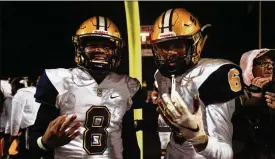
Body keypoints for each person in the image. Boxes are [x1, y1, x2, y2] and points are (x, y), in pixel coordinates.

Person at [30, 16, 142, 159]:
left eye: (107, 46)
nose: (100, 50)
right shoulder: (61, 81)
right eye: (92, 44)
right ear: (80, 47)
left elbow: (129, 139)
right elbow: (34, 142)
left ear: (116, 50)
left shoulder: (126, 86)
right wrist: (45, 143)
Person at [150, 8, 243, 159]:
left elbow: (226, 153)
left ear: (196, 43)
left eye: (178, 45)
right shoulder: (161, 75)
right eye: (164, 47)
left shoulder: (214, 75)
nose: (170, 53)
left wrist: (200, 139)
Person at [233, 49, 275, 158]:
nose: (270, 67)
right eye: (264, 63)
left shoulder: (272, 91)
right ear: (250, 66)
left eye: (272, 63)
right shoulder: (236, 91)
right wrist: (251, 99)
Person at [8, 76, 41, 158]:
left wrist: (14, 134)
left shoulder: (20, 95)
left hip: (27, 130)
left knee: (25, 153)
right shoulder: (37, 92)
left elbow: (16, 118)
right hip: (39, 128)